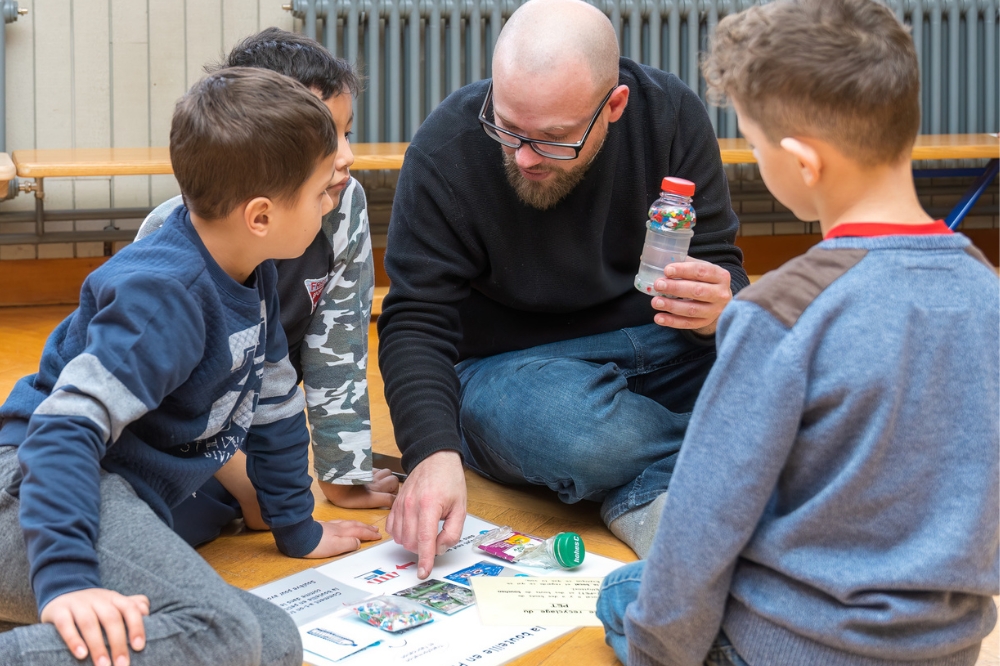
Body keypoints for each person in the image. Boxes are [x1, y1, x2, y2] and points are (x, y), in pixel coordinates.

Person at [595, 1, 1000, 664]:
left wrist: (657, 650)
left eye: (754, 144)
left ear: (803, 163)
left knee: (624, 592)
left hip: (787, 646)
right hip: (945, 648)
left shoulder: (781, 310)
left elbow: (703, 522)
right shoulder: (989, 292)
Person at [0, 68, 382, 666]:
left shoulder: (249, 270)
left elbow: (277, 410)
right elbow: (60, 431)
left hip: (111, 497)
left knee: (275, 642)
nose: (334, 197)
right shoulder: (163, 296)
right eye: (320, 194)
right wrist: (69, 582)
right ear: (260, 216)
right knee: (223, 635)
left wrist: (297, 528)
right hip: (41, 496)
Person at [378, 0, 747, 573]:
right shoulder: (446, 147)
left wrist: (718, 309)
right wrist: (431, 452)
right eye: (507, 127)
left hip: (662, 346)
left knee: (794, 360)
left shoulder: (669, 115)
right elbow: (416, 319)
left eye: (554, 139)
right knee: (571, 432)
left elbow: (722, 262)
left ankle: (654, 481)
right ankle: (739, 455)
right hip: (517, 375)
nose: (524, 157)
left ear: (614, 105)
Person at [135, 28, 398, 547]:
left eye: (348, 133)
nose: (345, 158)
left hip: (258, 423)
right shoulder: (168, 242)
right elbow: (156, 409)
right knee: (167, 522)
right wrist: (246, 480)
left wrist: (341, 473)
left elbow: (337, 349)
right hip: (175, 437)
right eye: (327, 139)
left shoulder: (344, 202)